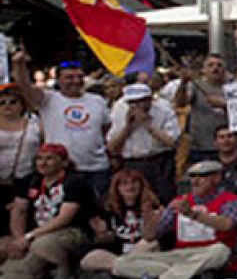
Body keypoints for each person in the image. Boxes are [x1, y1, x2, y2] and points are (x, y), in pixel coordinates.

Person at [107, 160, 237, 279]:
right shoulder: (179, 202)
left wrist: (192, 214)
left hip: (210, 252)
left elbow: (227, 224)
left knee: (220, 251)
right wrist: (148, 217)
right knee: (121, 263)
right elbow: (151, 237)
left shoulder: (228, 200)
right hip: (181, 255)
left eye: (202, 176)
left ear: (216, 178)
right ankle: (189, 276)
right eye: (192, 176)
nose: (195, 181)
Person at [1, 143, 95, 279]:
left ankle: (67, 270)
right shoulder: (29, 181)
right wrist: (18, 240)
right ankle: (40, 272)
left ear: (64, 162)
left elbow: (64, 218)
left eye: (49, 159)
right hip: (34, 236)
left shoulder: (74, 182)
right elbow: (19, 211)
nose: (43, 163)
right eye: (39, 159)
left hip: (71, 232)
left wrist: (29, 237)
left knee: (42, 244)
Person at [14, 55, 112, 198]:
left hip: (96, 169)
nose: (76, 81)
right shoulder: (48, 99)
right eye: (69, 78)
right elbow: (25, 86)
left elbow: (105, 130)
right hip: (60, 170)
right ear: (58, 80)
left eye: (79, 77)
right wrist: (20, 65)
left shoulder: (98, 100)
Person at [79, 169, 163, 279]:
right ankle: (126, 268)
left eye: (134, 182)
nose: (130, 186)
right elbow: (110, 240)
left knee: (149, 244)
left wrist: (149, 217)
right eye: (124, 183)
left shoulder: (155, 206)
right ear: (117, 188)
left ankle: (123, 270)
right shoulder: (107, 209)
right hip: (119, 255)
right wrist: (103, 234)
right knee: (89, 259)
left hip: (144, 252)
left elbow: (152, 237)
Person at [107, 83, 180, 203]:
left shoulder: (164, 110)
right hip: (132, 163)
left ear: (150, 100)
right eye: (131, 102)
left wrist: (148, 125)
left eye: (140, 101)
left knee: (164, 198)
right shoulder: (119, 109)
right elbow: (111, 147)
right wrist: (127, 128)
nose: (135, 106)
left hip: (160, 161)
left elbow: (173, 143)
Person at [174, 54, 231, 163]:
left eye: (219, 65)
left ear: (224, 69)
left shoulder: (232, 87)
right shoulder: (196, 86)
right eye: (210, 65)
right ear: (204, 69)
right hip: (200, 145)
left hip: (227, 147)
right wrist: (183, 83)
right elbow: (180, 103)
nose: (215, 68)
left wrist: (223, 104)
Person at [0, 82, 42, 210]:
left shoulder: (35, 123)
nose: (7, 106)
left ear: (22, 104)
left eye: (13, 102)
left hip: (26, 177)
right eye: (2, 103)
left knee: (21, 210)